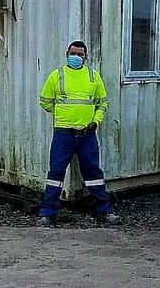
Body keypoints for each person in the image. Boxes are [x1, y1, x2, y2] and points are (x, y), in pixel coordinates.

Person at [37, 41, 121, 227]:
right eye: (73, 53)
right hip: (63, 133)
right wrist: (63, 115)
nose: (76, 56)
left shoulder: (94, 77)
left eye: (80, 54)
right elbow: (45, 102)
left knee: (93, 172)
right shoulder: (56, 75)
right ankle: (47, 213)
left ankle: (105, 211)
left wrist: (95, 121)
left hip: (87, 134)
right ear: (67, 53)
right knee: (56, 172)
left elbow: (102, 104)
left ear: (86, 57)